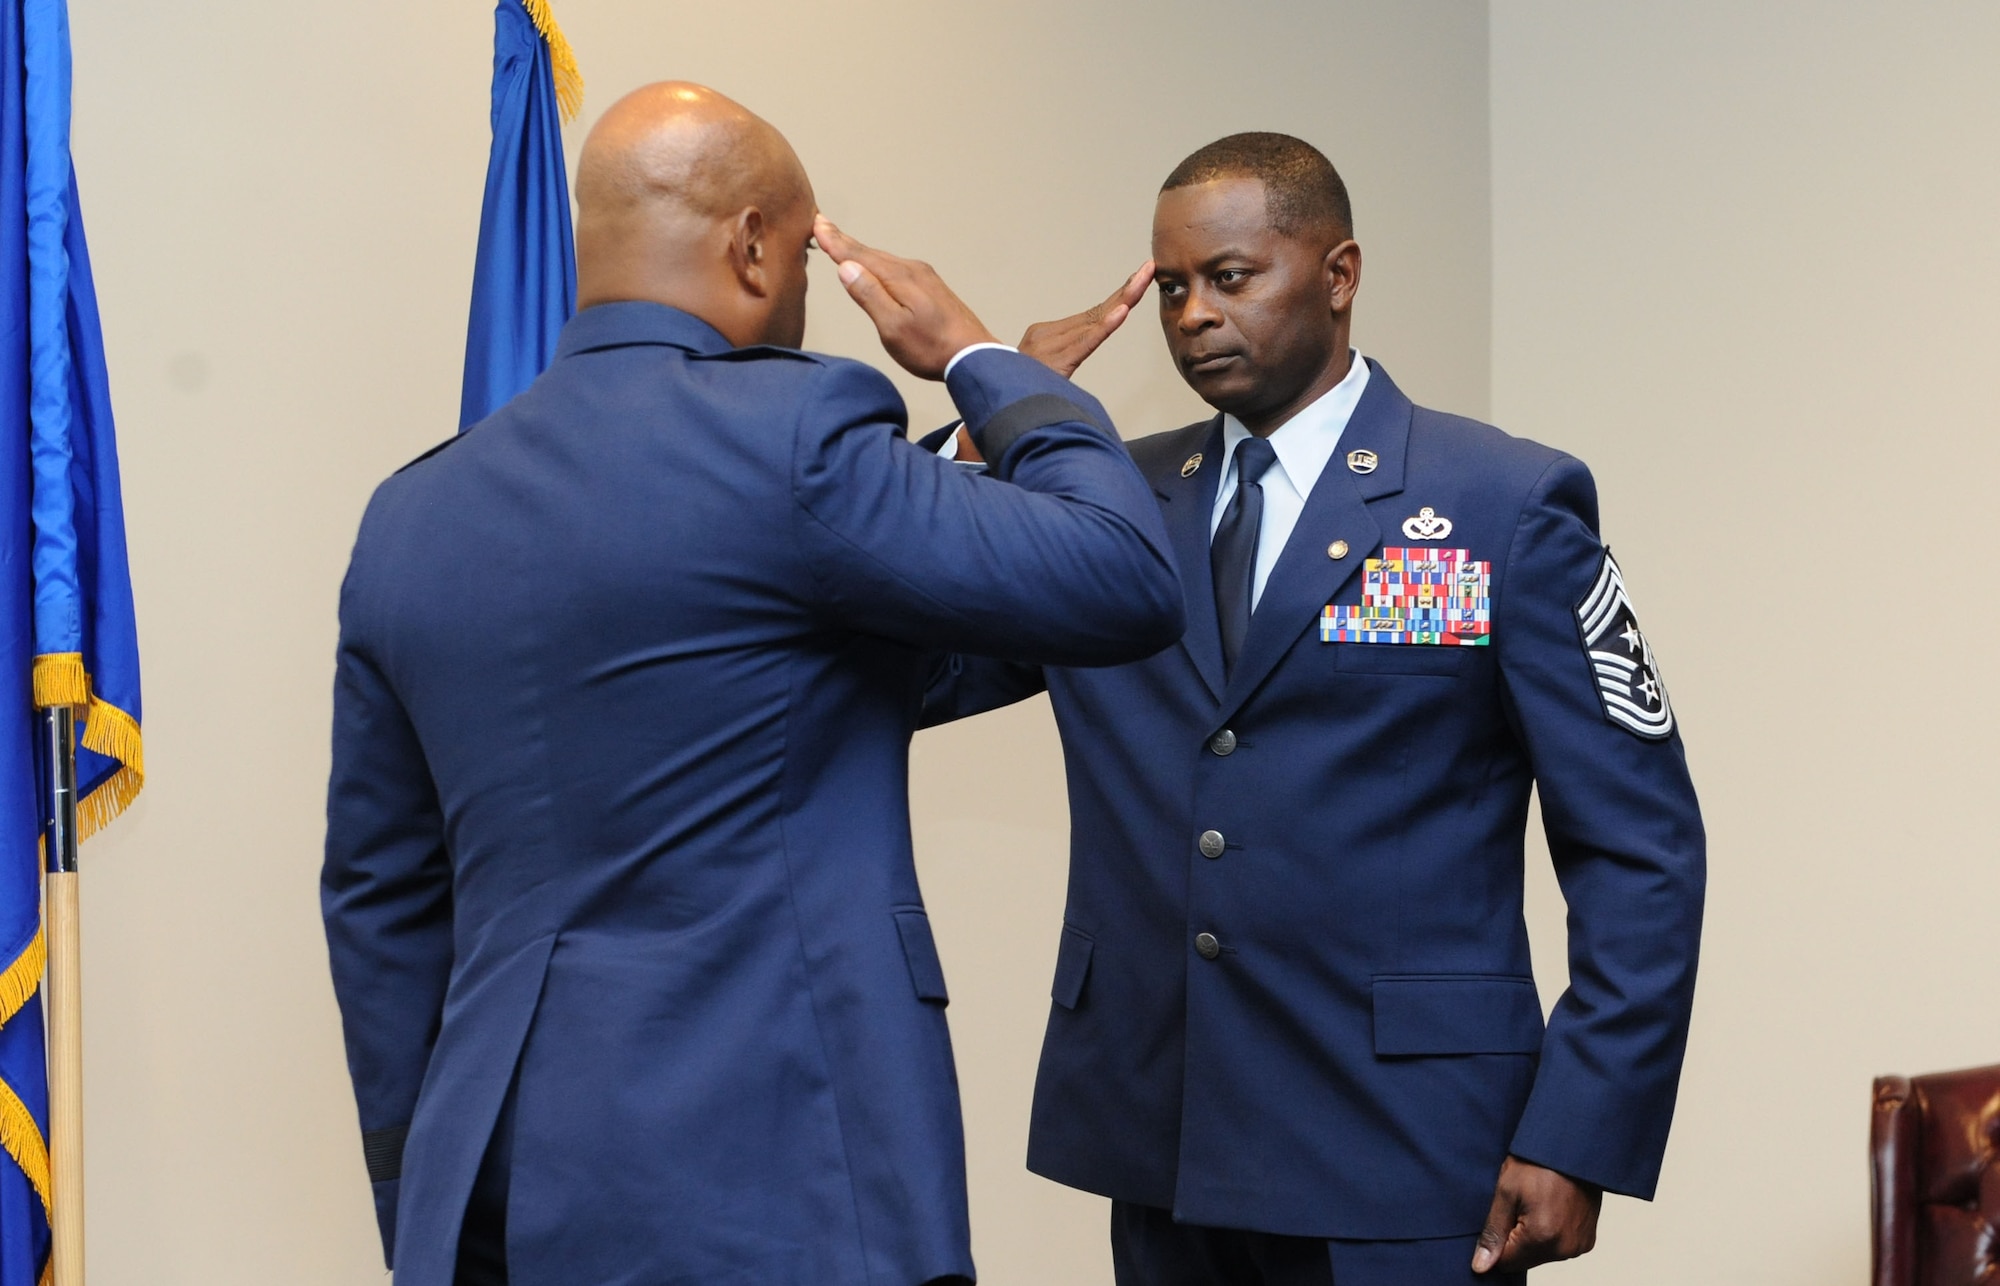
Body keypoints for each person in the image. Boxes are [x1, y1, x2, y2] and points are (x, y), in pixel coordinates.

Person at [320, 82, 1183, 1286]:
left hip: (499, 1193)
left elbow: (379, 902)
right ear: (754, 243)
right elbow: (1125, 575)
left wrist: (424, 1201)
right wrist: (987, 367)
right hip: (787, 1173)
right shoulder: (796, 432)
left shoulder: (410, 513)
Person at [926, 132, 1706, 1284]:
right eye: (1175, 288)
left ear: (1337, 274)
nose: (1193, 314)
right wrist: (991, 425)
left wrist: (1576, 1126)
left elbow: (1639, 844)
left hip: (1409, 1149)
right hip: (1165, 1136)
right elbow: (911, 658)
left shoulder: (1499, 502)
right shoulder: (1107, 504)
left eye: (1230, 277)